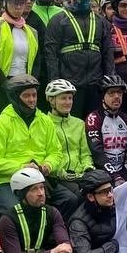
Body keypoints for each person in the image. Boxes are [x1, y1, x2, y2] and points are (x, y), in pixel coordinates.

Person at [0, 74, 65, 214]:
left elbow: (56, 152)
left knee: (69, 199)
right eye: (26, 96)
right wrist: (22, 167)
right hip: (8, 181)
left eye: (34, 95)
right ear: (15, 97)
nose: (32, 100)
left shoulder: (45, 121)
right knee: (14, 211)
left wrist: (48, 165)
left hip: (40, 179)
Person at [44, 0, 112, 118]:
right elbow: (50, 53)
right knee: (72, 121)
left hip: (95, 83)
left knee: (94, 122)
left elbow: (107, 53)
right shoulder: (58, 20)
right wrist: (55, 82)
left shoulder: (101, 22)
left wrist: (109, 79)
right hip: (70, 84)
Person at [86, 74, 127, 185]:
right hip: (101, 172)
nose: (117, 96)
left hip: (122, 171)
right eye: (111, 93)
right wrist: (115, 175)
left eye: (119, 93)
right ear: (103, 96)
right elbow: (97, 152)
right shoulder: (94, 119)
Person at [45, 78, 92, 217]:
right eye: (63, 98)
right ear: (51, 100)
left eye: (70, 98)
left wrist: (88, 167)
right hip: (57, 176)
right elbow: (45, 153)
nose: (68, 102)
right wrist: (59, 171)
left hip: (79, 174)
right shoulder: (44, 123)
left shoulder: (79, 124)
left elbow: (85, 153)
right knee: (76, 198)